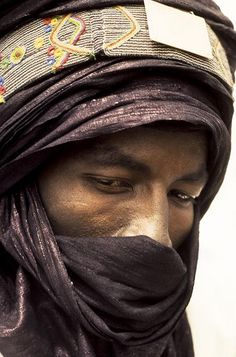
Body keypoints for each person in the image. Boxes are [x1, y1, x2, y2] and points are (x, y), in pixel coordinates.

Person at [0, 1, 235, 356]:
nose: (155, 235)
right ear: (17, 178)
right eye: (111, 183)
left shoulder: (211, 336)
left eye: (182, 196)